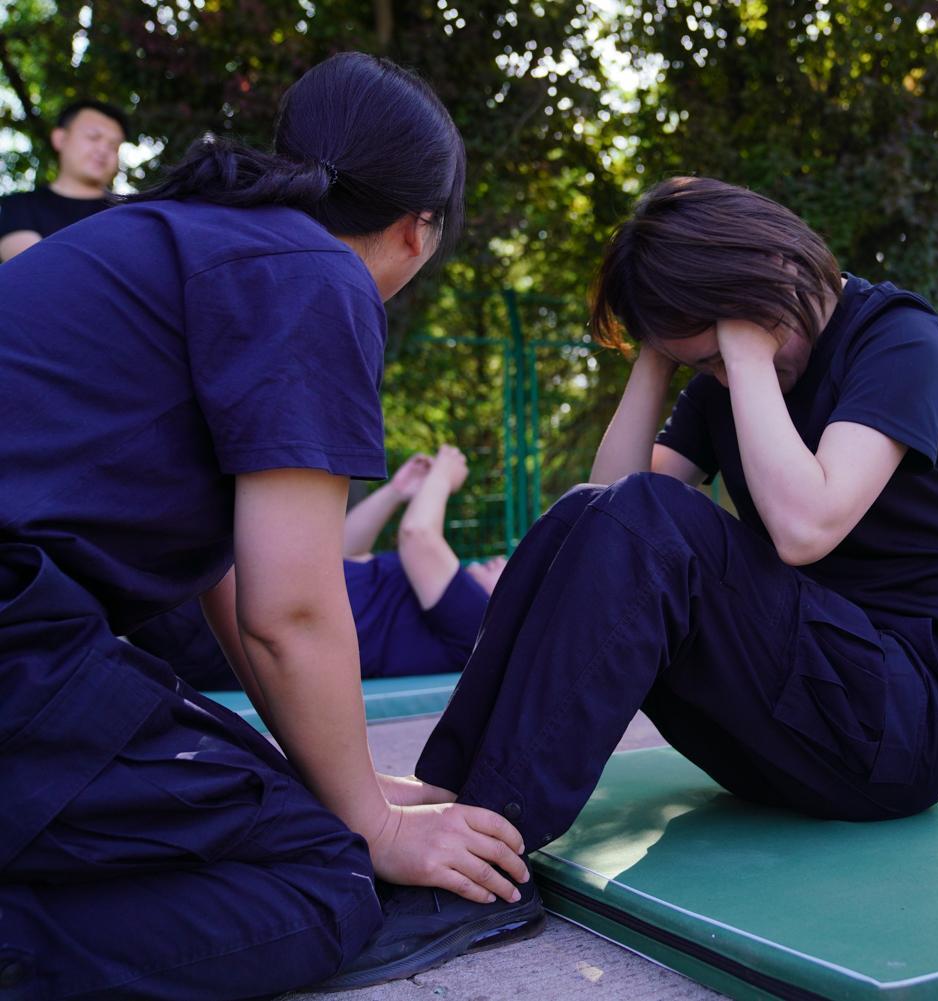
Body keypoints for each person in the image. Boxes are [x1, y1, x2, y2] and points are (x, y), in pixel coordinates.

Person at [0, 54, 539, 1001]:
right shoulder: (316, 274)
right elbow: (288, 612)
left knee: (312, 815)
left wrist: (354, 786)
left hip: (31, 629)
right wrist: (372, 828)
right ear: (418, 230)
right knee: (323, 878)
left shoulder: (177, 232)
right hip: (19, 639)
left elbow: (240, 584)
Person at [381, 175, 938, 985]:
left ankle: (488, 852)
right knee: (577, 517)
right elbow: (606, 512)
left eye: (709, 353)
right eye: (696, 359)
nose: (715, 372)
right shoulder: (722, 377)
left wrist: (739, 351)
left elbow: (806, 526)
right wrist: (656, 355)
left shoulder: (898, 339)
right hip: (800, 719)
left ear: (775, 276)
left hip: (909, 723)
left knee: (653, 519)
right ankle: (453, 793)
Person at [127, 446, 507, 690]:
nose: (501, 561)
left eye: (510, 571)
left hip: (228, 631)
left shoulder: (480, 624)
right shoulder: (433, 598)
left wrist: (443, 476)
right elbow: (338, 552)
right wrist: (396, 491)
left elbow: (418, 535)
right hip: (234, 615)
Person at [0, 100, 128, 262]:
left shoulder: (128, 213)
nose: (103, 150)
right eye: (93, 137)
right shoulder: (20, 206)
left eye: (114, 146)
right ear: (60, 138)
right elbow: (32, 267)